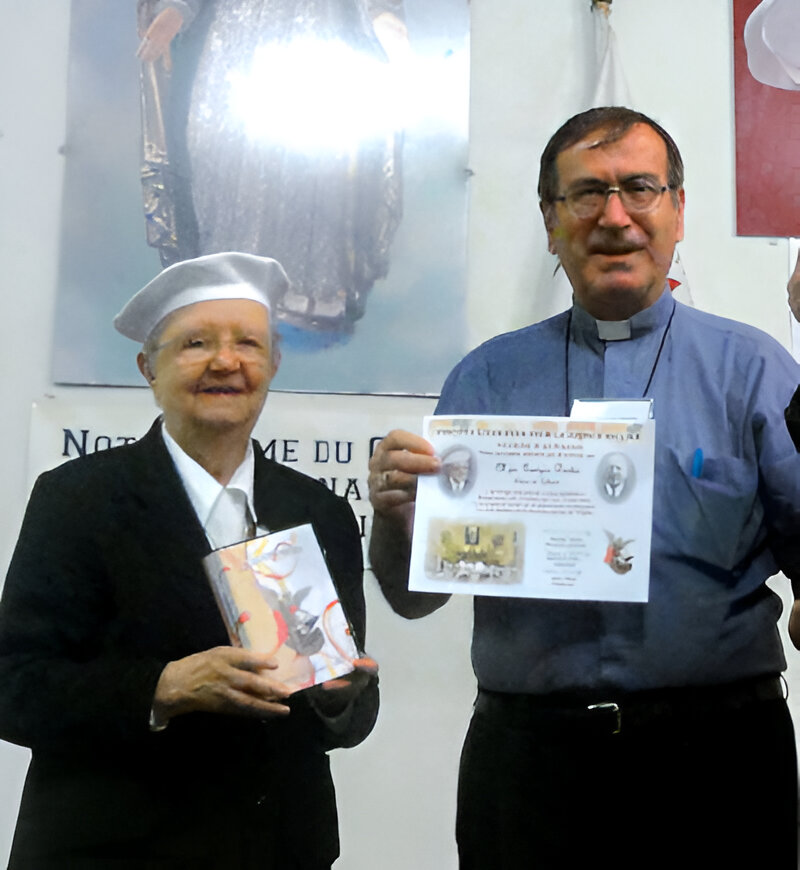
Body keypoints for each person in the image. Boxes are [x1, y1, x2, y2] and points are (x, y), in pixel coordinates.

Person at [368, 107, 800, 869]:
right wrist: (398, 517)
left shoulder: (754, 370)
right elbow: (415, 598)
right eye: (587, 193)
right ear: (550, 220)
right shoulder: (488, 378)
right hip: (530, 767)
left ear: (678, 211)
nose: (614, 216)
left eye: (640, 188)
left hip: (719, 759)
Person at [0, 252, 378, 869]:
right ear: (149, 368)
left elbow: (347, 717)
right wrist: (163, 687)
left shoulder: (321, 512)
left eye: (248, 344)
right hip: (114, 851)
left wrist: (339, 698)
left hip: (279, 849)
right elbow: (13, 685)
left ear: (274, 364)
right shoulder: (78, 500)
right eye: (196, 343)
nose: (226, 362)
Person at [136, 0, 406, 335]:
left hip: (317, 32)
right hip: (236, 39)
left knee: (312, 156)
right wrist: (177, 9)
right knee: (226, 151)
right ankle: (229, 281)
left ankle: (304, 284)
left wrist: (381, 14)